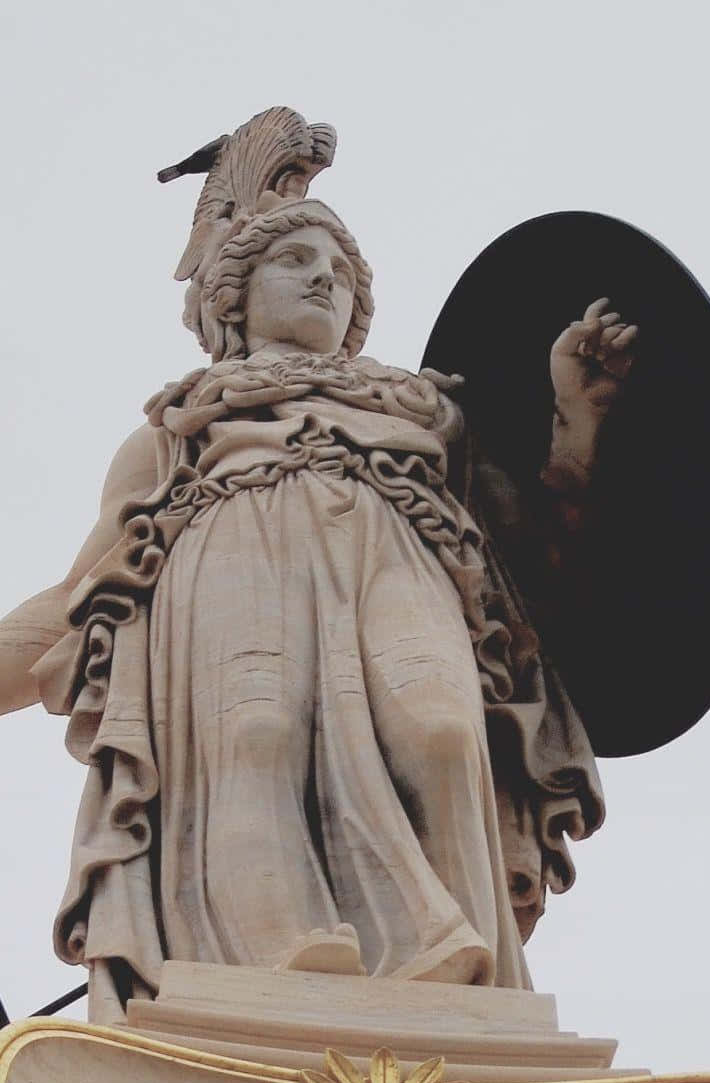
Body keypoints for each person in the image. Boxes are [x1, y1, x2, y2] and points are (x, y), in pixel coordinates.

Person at [0, 110, 635, 1021]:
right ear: (236, 294)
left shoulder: (427, 416)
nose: (325, 279)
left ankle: (463, 967)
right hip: (232, 566)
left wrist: (579, 423)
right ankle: (275, 949)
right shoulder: (180, 429)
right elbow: (77, 599)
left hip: (399, 566)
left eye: (341, 273)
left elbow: (535, 565)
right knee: (253, 734)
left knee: (445, 730)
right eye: (296, 261)